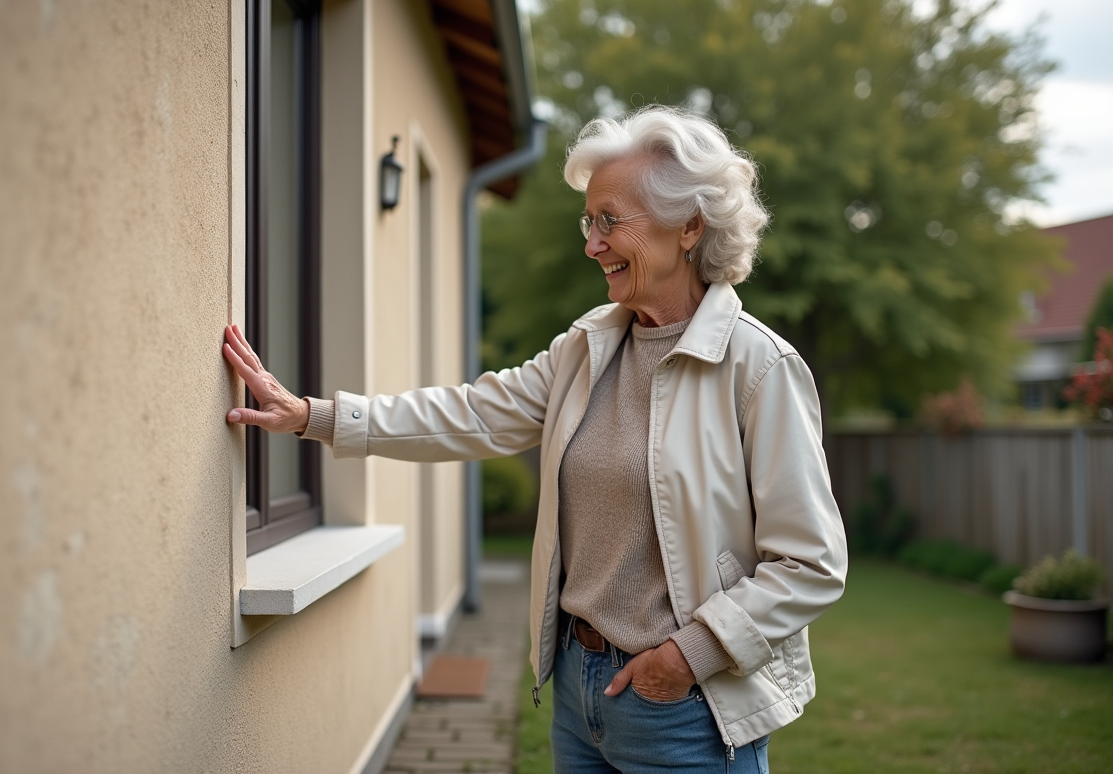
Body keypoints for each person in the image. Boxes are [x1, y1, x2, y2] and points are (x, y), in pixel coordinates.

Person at [222, 106, 848, 773]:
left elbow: (810, 564)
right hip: (580, 694)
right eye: (589, 222)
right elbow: (469, 413)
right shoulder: (588, 348)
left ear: (689, 226)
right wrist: (312, 416)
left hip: (685, 710)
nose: (592, 244)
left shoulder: (757, 367)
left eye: (610, 221)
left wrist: (685, 656)